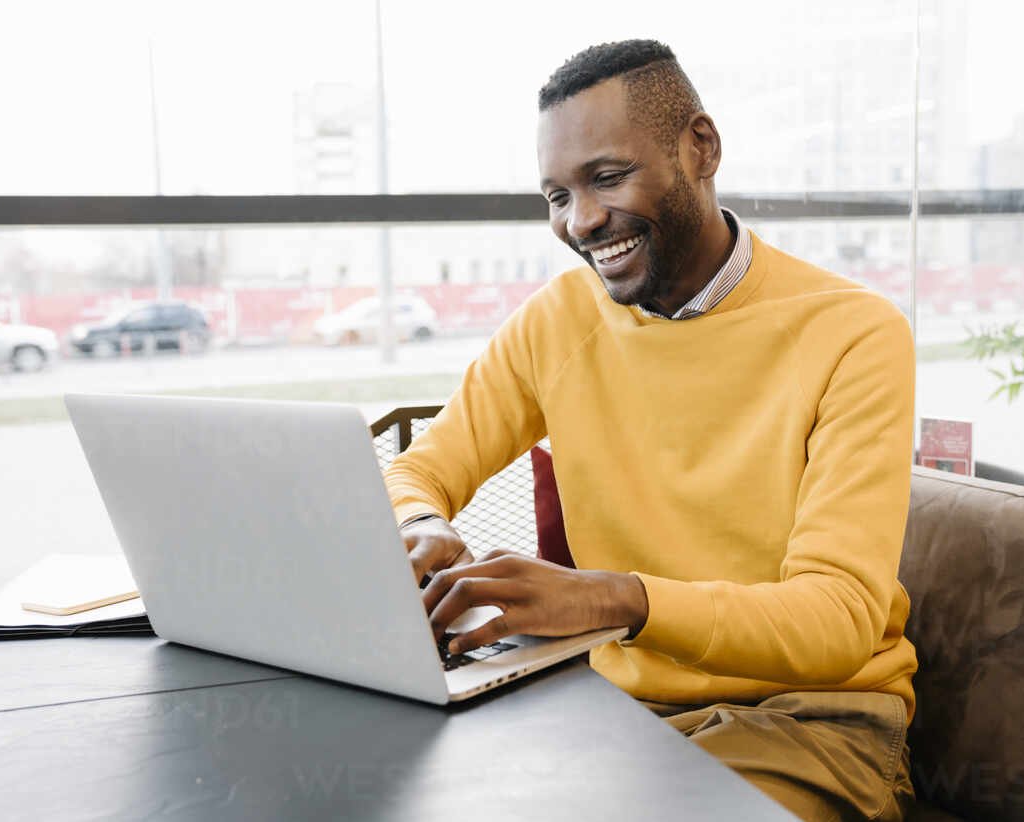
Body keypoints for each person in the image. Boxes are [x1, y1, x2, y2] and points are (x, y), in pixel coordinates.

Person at [385, 39, 917, 821]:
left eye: (606, 177)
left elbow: (836, 621)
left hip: (808, 719)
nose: (583, 220)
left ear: (699, 148)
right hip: (614, 712)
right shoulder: (556, 322)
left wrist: (615, 600)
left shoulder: (854, 333)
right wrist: (423, 527)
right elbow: (417, 472)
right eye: (556, 195)